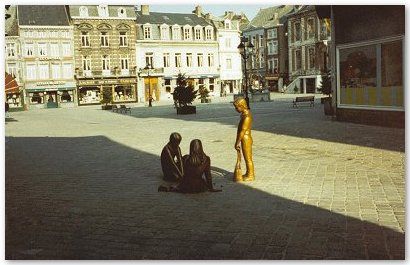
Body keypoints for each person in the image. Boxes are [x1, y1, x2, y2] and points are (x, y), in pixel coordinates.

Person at [233, 98, 255, 181]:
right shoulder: (243, 115)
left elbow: (242, 131)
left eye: (237, 107)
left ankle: (251, 175)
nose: (236, 109)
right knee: (247, 157)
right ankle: (248, 172)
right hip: (244, 138)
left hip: (246, 139)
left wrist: (237, 142)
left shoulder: (247, 117)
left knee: (248, 158)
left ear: (242, 106)